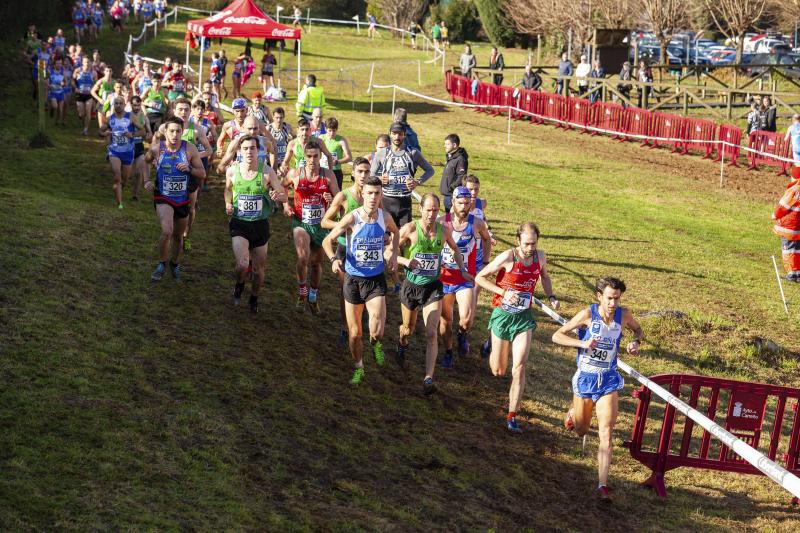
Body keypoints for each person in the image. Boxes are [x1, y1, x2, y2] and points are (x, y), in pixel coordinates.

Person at [552, 277, 643, 500]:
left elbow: (638, 331)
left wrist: (636, 342)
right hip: (585, 378)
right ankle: (574, 413)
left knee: (607, 433)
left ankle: (603, 484)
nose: (613, 303)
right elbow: (557, 335)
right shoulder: (587, 315)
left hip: (608, 379)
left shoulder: (625, 315)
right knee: (582, 429)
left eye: (617, 298)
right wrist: (582, 343)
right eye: (610, 298)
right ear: (599, 296)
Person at [476, 222, 559, 433]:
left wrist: (551, 296)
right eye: (527, 244)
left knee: (519, 367)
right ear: (518, 241)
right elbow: (480, 277)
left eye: (534, 243)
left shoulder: (540, 257)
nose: (530, 248)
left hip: (523, 318)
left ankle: (512, 415)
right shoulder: (507, 257)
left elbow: (545, 277)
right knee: (499, 371)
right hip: (503, 316)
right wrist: (504, 293)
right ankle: (491, 342)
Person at [322, 176, 399, 385]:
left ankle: (376, 344)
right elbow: (327, 240)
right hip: (353, 280)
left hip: (375, 280)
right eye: (369, 193)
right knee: (355, 333)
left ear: (381, 195)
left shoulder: (386, 217)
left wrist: (392, 253)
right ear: (362, 194)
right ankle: (359, 366)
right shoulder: (352, 218)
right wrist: (333, 260)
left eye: (377, 193)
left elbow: (396, 232)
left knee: (376, 329)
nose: (373, 197)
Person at [397, 193, 469, 393]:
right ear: (420, 209)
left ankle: (428, 378)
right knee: (408, 329)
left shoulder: (444, 231)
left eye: (435, 210)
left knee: (431, 332)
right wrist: (405, 262)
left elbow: (455, 250)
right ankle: (402, 341)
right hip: (412, 286)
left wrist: (462, 269)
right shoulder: (410, 229)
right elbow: (389, 251)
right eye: (428, 209)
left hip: (433, 287)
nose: (431, 214)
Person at [225, 135, 288, 312]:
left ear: (258, 150)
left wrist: (278, 197)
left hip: (260, 225)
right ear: (239, 151)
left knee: (259, 271)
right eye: (245, 148)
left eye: (252, 148)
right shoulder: (232, 171)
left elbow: (283, 195)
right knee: (243, 264)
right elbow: (228, 191)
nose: (249, 152)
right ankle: (239, 283)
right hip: (240, 224)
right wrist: (228, 203)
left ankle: (254, 297)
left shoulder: (267, 172)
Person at [144, 116, 205, 281]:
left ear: (183, 131)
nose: (175, 134)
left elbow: (202, 173)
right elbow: (145, 161)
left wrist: (190, 168)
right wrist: (147, 180)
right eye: (172, 131)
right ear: (165, 131)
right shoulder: (158, 149)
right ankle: (161, 264)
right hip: (163, 196)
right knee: (166, 231)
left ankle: (175, 263)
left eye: (178, 131)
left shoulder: (189, 149)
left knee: (178, 236)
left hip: (182, 199)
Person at [437, 186, 492, 367]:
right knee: (446, 321)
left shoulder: (476, 223)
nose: (464, 207)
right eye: (460, 203)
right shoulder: (442, 222)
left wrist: (484, 261)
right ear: (453, 202)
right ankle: (448, 351)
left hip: (465, 277)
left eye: (467, 203)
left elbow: (486, 239)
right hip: (445, 277)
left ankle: (462, 334)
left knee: (466, 318)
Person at [285, 140, 340, 312]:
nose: (312, 160)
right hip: (301, 221)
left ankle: (313, 296)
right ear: (304, 156)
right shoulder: (296, 173)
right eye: (309, 156)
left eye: (316, 156)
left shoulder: (328, 175)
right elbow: (280, 186)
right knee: (303, 257)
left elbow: (340, 199)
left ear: (320, 156)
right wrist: (286, 204)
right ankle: (302, 291)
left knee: (316, 263)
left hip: (321, 224)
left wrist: (332, 201)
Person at [322, 157, 368, 345]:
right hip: (344, 249)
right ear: (353, 174)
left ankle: (358, 318)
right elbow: (325, 221)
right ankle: (344, 326)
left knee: (364, 289)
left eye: (367, 172)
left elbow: (383, 220)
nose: (363, 175)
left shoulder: (372, 196)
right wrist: (347, 226)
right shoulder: (343, 196)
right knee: (346, 290)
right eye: (360, 172)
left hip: (366, 250)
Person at [370, 122, 434, 230]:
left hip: (405, 202)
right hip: (386, 201)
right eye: (394, 133)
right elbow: (370, 176)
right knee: (385, 235)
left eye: (400, 134)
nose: (397, 137)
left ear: (404, 135)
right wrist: (379, 179)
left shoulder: (413, 152)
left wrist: (417, 181)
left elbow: (430, 170)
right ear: (390, 134)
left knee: (404, 236)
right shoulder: (382, 153)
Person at [100, 96, 146, 209]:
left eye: (121, 103)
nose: (118, 105)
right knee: (117, 176)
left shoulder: (130, 117)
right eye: (116, 103)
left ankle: (120, 187)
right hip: (114, 151)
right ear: (113, 105)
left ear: (125, 105)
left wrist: (132, 135)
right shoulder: (110, 118)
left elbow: (143, 131)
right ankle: (119, 204)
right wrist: (104, 133)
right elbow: (100, 131)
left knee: (125, 179)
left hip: (128, 152)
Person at [128, 95, 151, 202]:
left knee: (139, 172)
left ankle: (135, 194)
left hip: (139, 146)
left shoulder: (144, 117)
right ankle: (122, 184)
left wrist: (148, 135)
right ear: (130, 105)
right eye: (134, 105)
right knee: (129, 174)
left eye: (138, 105)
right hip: (127, 147)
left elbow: (149, 132)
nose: (136, 107)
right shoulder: (127, 116)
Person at [322, 117, 352, 190]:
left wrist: (337, 162)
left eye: (334, 131)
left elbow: (349, 157)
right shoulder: (321, 138)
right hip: (323, 170)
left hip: (336, 171)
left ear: (337, 129)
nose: (332, 133)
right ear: (325, 129)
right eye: (330, 130)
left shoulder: (341, 140)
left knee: (337, 195)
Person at [440, 133, 468, 211]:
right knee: (448, 217)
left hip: (452, 195)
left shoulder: (460, 159)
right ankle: (448, 223)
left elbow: (461, 176)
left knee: (452, 217)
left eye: (447, 144)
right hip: (447, 195)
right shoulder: (451, 157)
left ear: (454, 145)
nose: (444, 146)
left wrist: (451, 188)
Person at [73, 56, 96, 134]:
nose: (86, 63)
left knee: (88, 111)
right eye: (85, 62)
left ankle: (86, 129)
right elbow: (72, 81)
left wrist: (93, 89)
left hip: (89, 95)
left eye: (88, 62)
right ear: (82, 62)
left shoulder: (93, 72)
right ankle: (84, 126)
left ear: (90, 63)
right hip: (80, 94)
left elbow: (96, 84)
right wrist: (75, 87)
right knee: (81, 113)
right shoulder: (78, 71)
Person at [47, 56, 69, 126]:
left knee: (60, 110)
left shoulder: (63, 72)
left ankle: (56, 122)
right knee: (55, 106)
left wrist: (63, 84)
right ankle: (52, 110)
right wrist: (49, 85)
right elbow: (46, 81)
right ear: (54, 64)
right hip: (53, 92)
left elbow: (66, 82)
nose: (59, 65)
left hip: (61, 92)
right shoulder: (50, 71)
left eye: (60, 64)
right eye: (57, 64)